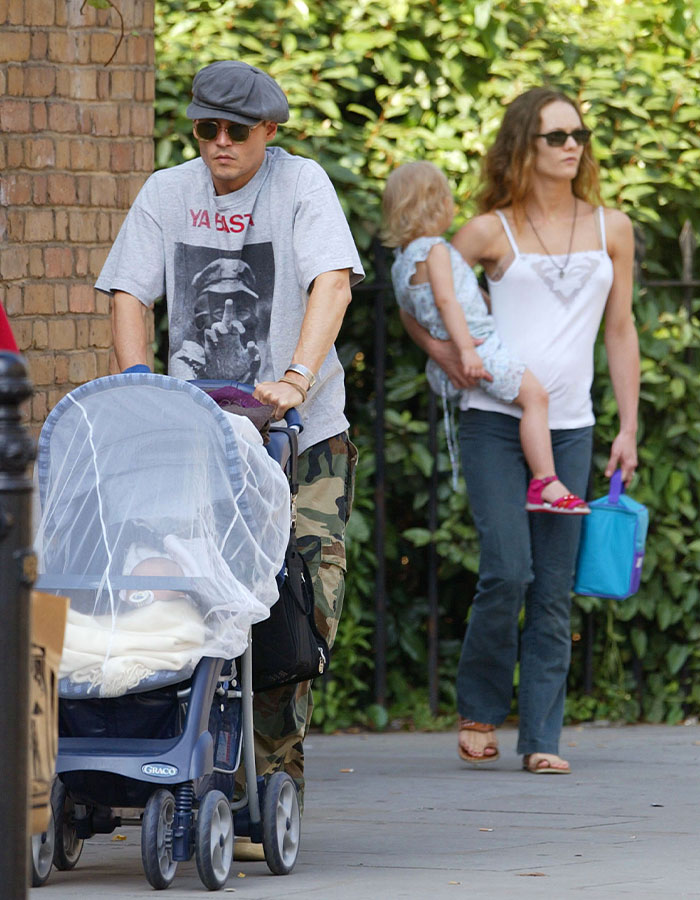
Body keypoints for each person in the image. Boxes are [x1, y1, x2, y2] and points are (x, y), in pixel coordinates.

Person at [96, 60, 363, 804]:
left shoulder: (300, 184)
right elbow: (128, 293)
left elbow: (332, 282)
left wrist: (296, 378)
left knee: (297, 598)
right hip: (197, 446)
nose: (220, 142)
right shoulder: (167, 192)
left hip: (301, 436)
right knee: (183, 590)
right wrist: (139, 383)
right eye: (206, 128)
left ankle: (272, 776)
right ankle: (185, 756)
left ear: (267, 131)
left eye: (236, 131)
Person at [400, 88, 639, 774]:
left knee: (553, 590)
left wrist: (628, 425)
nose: (572, 147)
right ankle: (479, 710)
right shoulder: (489, 231)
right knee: (507, 570)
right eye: (555, 136)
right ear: (523, 146)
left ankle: (541, 740)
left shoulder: (613, 227)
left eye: (579, 135)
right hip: (494, 423)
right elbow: (418, 294)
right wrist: (447, 354)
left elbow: (621, 330)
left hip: (571, 430)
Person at [383, 161, 589, 514]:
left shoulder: (402, 260)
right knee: (536, 398)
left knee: (530, 399)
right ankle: (544, 482)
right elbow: (447, 301)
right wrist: (467, 351)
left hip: (457, 353)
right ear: (438, 205)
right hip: (480, 348)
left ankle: (542, 481)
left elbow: (419, 308)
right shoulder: (435, 250)